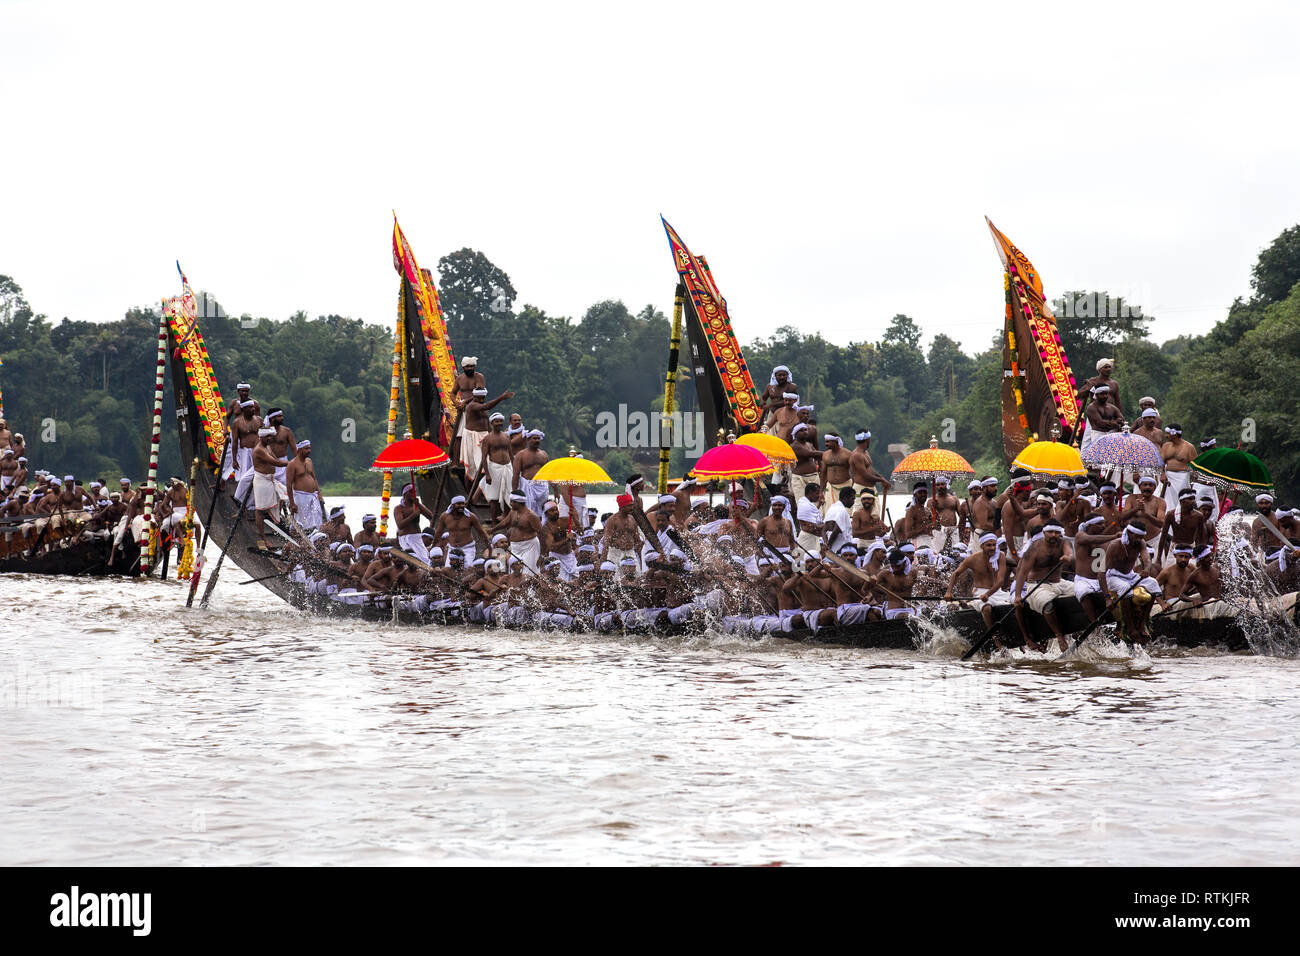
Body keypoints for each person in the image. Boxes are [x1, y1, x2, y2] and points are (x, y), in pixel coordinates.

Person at [1013, 521, 1074, 651]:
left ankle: (1079, 630)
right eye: (1051, 532)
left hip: (1059, 583)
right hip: (1038, 586)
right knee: (1046, 603)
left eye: (1057, 533)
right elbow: (1022, 572)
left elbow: (1069, 553)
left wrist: (1067, 557)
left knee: (1081, 592)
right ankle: (1059, 636)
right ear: (1044, 533)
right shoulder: (1035, 547)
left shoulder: (1064, 543)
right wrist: (1018, 596)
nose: (1054, 535)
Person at [1104, 521, 1163, 641]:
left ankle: (1142, 624)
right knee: (1125, 587)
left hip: (1130, 575)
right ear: (1129, 533)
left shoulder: (1141, 542)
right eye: (1136, 536)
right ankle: (1130, 627)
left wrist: (1146, 569)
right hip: (1113, 577)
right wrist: (1107, 598)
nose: (1138, 540)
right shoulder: (1115, 545)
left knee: (1153, 583)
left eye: (1141, 537)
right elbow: (1101, 573)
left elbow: (1147, 559)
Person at [946, 532, 1011, 635]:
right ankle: (994, 638)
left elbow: (1000, 581)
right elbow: (955, 574)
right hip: (979, 592)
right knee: (987, 609)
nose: (992, 548)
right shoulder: (972, 559)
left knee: (1014, 607)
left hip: (996, 591)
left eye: (994, 545)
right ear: (981, 546)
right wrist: (948, 592)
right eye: (989, 545)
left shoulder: (1000, 556)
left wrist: (988, 594)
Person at [460, 387, 514, 481]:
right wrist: (501, 397)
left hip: (485, 436)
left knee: (488, 464)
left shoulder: (483, 406)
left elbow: (487, 423)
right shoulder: (472, 406)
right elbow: (487, 406)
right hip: (473, 437)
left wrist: (491, 434)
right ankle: (469, 493)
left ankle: (484, 487)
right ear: (474, 396)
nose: (481, 400)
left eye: (483, 398)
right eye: (479, 398)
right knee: (472, 468)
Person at [250, 427, 289, 548]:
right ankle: (264, 538)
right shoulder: (259, 449)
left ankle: (275, 523)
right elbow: (275, 463)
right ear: (262, 437)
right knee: (260, 510)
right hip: (262, 481)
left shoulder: (268, 447)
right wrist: (293, 463)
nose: (270, 439)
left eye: (271, 437)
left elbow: (276, 460)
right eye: (268, 437)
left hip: (270, 479)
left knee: (282, 496)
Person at [492, 492, 544, 572]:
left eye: (512, 502)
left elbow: (541, 534)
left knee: (527, 573)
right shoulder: (513, 512)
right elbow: (505, 522)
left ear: (518, 503)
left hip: (529, 547)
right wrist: (492, 530)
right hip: (515, 547)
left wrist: (542, 555)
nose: (510, 504)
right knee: (514, 572)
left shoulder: (531, 516)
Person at [1156, 487, 1209, 564]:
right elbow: (1163, 537)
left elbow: (1201, 538)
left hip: (1191, 548)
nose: (1193, 501)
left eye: (1194, 498)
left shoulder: (1198, 516)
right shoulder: (1171, 515)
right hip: (1174, 548)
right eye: (1190, 499)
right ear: (1181, 501)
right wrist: (1158, 559)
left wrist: (1200, 556)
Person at [433, 495, 487, 566]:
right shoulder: (444, 516)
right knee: (448, 569)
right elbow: (438, 532)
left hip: (467, 548)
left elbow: (481, 533)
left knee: (467, 569)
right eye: (458, 504)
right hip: (452, 548)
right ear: (452, 505)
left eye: (463, 504)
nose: (461, 506)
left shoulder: (471, 517)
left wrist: (489, 547)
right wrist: (433, 546)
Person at [285, 440, 325, 531]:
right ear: (299, 449)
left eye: (310, 448)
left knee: (317, 520)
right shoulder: (292, 464)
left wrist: (319, 494)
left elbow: (314, 478)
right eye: (306, 448)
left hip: (313, 495)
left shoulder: (309, 461)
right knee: (303, 522)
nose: (309, 451)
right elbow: (288, 484)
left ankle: (316, 538)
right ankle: (304, 538)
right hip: (300, 496)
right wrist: (292, 503)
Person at [393, 482, 436, 564]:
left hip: (417, 538)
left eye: (414, 491)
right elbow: (400, 525)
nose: (414, 493)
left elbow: (431, 516)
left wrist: (418, 504)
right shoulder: (399, 508)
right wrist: (413, 515)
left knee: (425, 560)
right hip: (405, 538)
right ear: (405, 494)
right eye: (411, 491)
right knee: (409, 560)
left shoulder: (416, 505)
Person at [1159, 423, 1197, 512]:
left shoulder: (1189, 447)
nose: (1166, 435)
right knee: (1162, 499)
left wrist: (1194, 479)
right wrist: (1162, 473)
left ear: (1174, 434)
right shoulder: (1166, 446)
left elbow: (1195, 466)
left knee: (1180, 500)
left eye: (1168, 433)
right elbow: (1161, 462)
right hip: (1167, 477)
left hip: (1182, 477)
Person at [512, 429, 550, 516]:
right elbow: (516, 475)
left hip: (542, 486)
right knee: (527, 510)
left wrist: (555, 491)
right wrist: (514, 492)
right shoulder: (521, 455)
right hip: (527, 486)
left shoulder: (544, 454)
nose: (537, 440)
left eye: (538, 438)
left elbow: (549, 473)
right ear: (528, 440)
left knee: (542, 510)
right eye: (534, 438)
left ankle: (540, 527)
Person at [819, 434, 852, 514]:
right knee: (830, 512)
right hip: (831, 488)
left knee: (845, 512)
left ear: (835, 441)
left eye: (828, 442)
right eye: (825, 442)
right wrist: (821, 492)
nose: (826, 444)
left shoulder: (847, 454)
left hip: (845, 487)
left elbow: (854, 472)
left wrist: (853, 490)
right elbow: (823, 474)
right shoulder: (825, 454)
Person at [758, 366, 798, 433]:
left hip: (785, 414)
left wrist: (770, 405)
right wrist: (762, 402)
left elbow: (789, 401)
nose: (782, 377)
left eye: (784, 375)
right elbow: (763, 397)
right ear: (775, 376)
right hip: (771, 414)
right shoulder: (769, 386)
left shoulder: (792, 387)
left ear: (787, 376)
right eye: (779, 375)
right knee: (769, 433)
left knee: (782, 434)